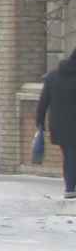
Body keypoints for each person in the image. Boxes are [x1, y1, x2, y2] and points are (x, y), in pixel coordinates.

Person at [36, 46, 76, 198]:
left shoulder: (53, 76)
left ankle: (70, 187)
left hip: (59, 126)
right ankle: (71, 188)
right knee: (72, 156)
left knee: (69, 156)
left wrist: (40, 122)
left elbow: (43, 101)